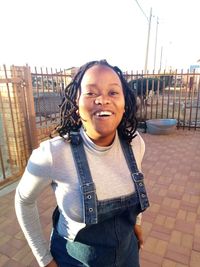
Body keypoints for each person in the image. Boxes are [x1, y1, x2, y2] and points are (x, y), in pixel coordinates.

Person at [15, 59, 150, 267]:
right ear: (76, 103)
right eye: (91, 93)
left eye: (113, 92)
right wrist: (44, 259)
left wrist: (137, 223)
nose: (102, 100)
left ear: (125, 103)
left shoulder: (135, 144)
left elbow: (135, 185)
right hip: (74, 261)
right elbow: (24, 200)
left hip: (128, 255)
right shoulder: (53, 153)